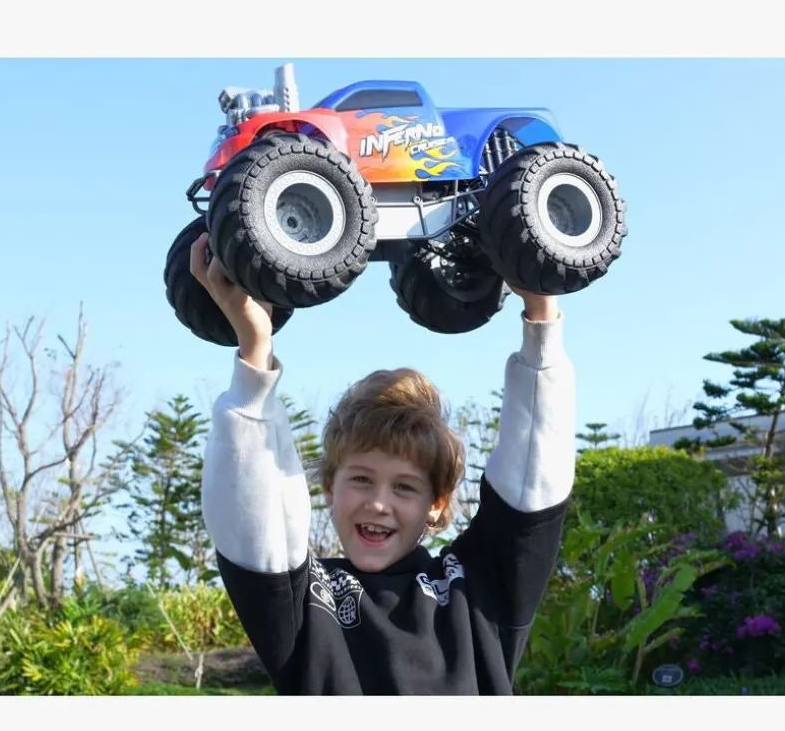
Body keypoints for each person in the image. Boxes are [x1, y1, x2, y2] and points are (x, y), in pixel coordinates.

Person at [190, 232, 575, 695]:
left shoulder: (476, 589)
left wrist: (541, 312)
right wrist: (254, 347)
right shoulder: (305, 601)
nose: (377, 503)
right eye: (361, 479)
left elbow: (531, 484)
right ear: (329, 486)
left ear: (437, 504)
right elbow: (252, 514)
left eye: (405, 487)